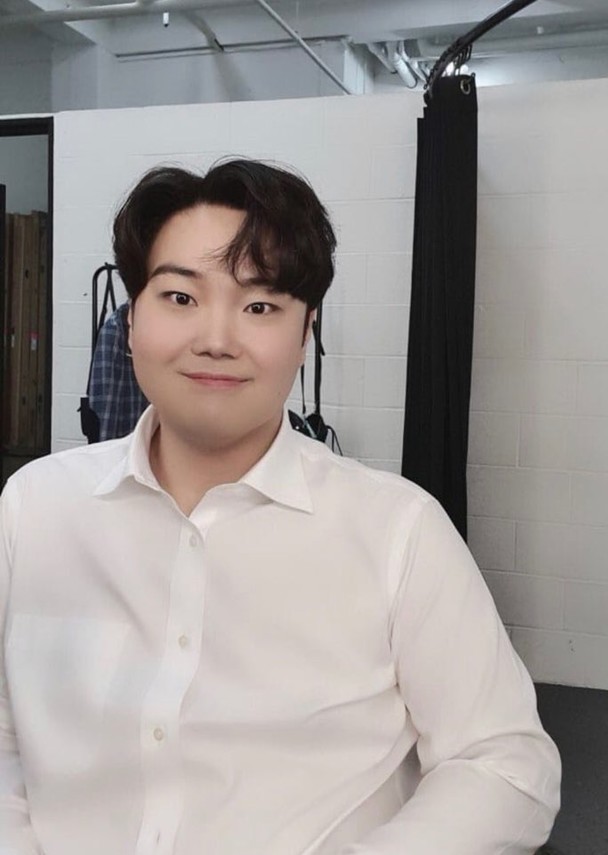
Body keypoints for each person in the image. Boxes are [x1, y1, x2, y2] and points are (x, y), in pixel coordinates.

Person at [0, 159, 560, 855]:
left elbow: (505, 764)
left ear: (305, 332)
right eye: (180, 296)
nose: (216, 338)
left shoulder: (397, 531)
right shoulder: (34, 507)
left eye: (259, 306)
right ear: (132, 318)